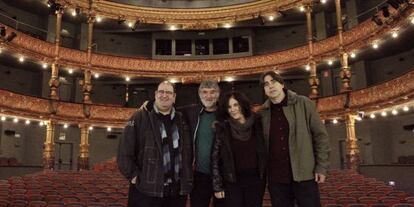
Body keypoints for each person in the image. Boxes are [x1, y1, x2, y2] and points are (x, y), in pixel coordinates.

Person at [140, 80, 222, 207]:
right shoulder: (192, 112)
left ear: (218, 93)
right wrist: (151, 103)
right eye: (204, 92)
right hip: (198, 174)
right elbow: (169, 107)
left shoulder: (224, 114)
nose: (208, 96)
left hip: (222, 174)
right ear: (199, 94)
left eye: (212, 92)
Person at [258, 71, 331, 207]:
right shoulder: (263, 113)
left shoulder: (304, 103)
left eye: (273, 82)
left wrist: (321, 167)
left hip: (304, 174)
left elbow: (320, 137)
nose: (270, 86)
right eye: (266, 84)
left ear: (282, 84)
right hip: (277, 178)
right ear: (264, 90)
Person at [117, 81, 193, 207]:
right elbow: (124, 151)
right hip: (147, 190)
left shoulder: (182, 119)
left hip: (176, 192)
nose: (164, 95)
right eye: (161, 92)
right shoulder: (140, 116)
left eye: (169, 92)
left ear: (174, 97)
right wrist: (135, 176)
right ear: (155, 94)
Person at [212, 91, 266, 207]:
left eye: (236, 105)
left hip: (256, 181)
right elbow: (215, 158)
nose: (233, 109)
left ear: (242, 104)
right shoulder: (222, 128)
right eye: (229, 107)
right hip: (232, 181)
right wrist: (217, 185)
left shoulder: (258, 123)